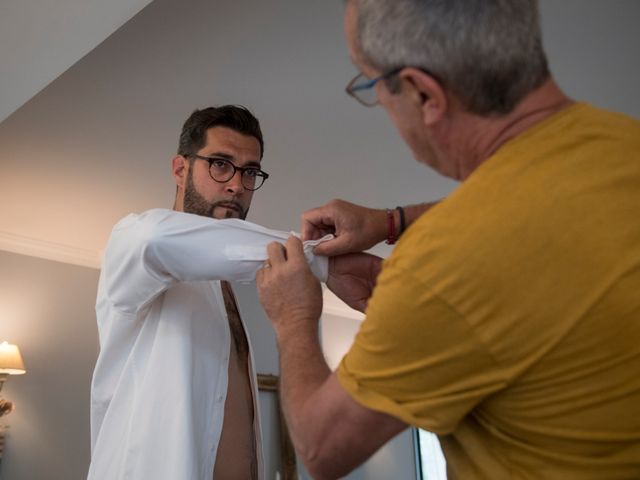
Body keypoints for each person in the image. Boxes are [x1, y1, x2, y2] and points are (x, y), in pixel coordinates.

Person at [256, 1, 640, 479]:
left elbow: (319, 448)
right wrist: (391, 222)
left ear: (422, 93)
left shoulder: (449, 260)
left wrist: (294, 317)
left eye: (371, 84)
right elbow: (544, 208)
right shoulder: (624, 147)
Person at [87, 105, 328, 480]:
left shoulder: (223, 287)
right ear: (180, 170)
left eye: (250, 172)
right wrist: (323, 262)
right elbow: (156, 238)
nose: (236, 184)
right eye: (220, 163)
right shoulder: (131, 247)